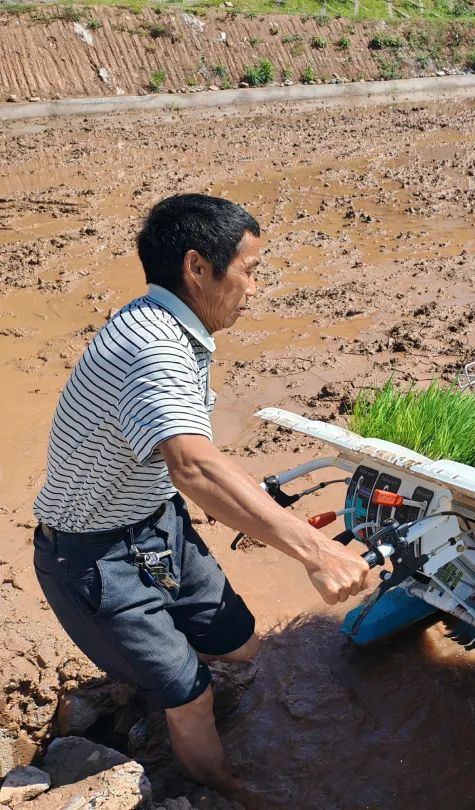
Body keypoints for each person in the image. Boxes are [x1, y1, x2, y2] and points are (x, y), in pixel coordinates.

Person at [32, 193, 371, 802]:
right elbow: (194, 467)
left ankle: (171, 692)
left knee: (243, 647)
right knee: (192, 696)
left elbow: (201, 465)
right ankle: (227, 789)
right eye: (250, 269)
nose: (254, 287)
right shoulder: (153, 348)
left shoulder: (166, 325)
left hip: (155, 523)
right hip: (89, 555)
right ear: (197, 267)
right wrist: (318, 551)